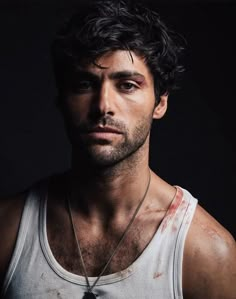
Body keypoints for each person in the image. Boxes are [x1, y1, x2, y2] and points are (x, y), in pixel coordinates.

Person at [0, 0, 235, 298]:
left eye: (127, 85)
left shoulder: (205, 253)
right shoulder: (7, 230)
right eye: (85, 84)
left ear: (160, 102)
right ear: (62, 99)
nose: (103, 106)